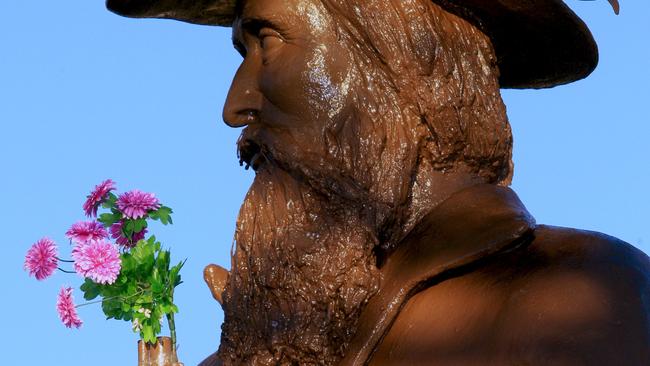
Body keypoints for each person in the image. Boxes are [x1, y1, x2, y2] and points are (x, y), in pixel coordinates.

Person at [107, 0, 650, 364]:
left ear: (411, 66)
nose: (235, 104)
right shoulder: (294, 339)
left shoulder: (579, 296)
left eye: (268, 42)